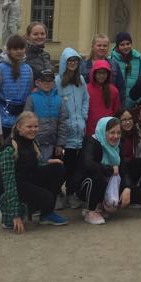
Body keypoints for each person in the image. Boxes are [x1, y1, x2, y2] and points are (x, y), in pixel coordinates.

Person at [0, 111, 68, 232]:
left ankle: (46, 214)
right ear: (19, 127)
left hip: (26, 179)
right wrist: (15, 215)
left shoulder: (32, 141)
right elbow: (8, 183)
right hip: (12, 185)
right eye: (29, 127)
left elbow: (35, 164)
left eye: (36, 126)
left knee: (58, 168)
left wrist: (48, 162)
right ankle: (8, 208)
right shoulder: (8, 149)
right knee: (46, 197)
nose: (33, 130)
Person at [0, 34, 32, 216]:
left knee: (21, 159)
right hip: (5, 122)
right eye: (15, 48)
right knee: (3, 161)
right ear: (9, 50)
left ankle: (17, 196)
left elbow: (28, 96)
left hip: (21, 122)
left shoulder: (28, 69)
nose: (19, 51)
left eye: (21, 48)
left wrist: (27, 122)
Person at [77, 116, 128, 225]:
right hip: (84, 184)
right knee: (97, 175)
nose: (116, 136)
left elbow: (123, 169)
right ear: (103, 131)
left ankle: (100, 206)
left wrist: (127, 188)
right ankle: (90, 211)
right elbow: (88, 164)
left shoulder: (117, 146)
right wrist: (110, 169)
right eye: (112, 132)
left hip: (104, 181)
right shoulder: (91, 142)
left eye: (118, 133)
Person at [56, 47, 89, 209]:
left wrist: (83, 116)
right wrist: (64, 120)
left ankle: (71, 193)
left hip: (79, 130)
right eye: (70, 60)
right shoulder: (57, 81)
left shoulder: (81, 80)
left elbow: (85, 100)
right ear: (64, 62)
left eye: (75, 60)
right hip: (65, 131)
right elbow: (56, 103)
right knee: (63, 165)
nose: (73, 63)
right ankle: (58, 193)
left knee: (76, 166)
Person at [24, 68, 67, 163]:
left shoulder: (59, 100)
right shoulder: (31, 99)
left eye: (50, 81)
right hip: (34, 143)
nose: (47, 83)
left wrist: (60, 144)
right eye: (44, 81)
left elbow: (62, 123)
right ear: (38, 82)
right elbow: (25, 122)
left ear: (53, 82)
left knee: (49, 167)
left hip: (52, 143)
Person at [85, 60, 121, 137]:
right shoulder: (86, 89)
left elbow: (116, 111)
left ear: (108, 74)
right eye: (99, 73)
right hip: (90, 130)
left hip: (108, 130)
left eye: (104, 73)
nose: (101, 76)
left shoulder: (113, 90)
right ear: (94, 73)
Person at [110, 32, 141, 107]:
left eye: (128, 44)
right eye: (122, 44)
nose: (125, 47)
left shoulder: (139, 60)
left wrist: (138, 100)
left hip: (134, 103)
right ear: (117, 46)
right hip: (116, 103)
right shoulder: (111, 59)